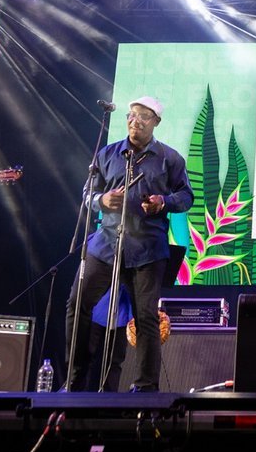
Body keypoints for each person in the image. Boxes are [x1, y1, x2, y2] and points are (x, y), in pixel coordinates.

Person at [65, 95, 193, 392]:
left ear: (156, 122)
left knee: (145, 317)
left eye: (143, 117)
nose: (135, 121)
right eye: (131, 116)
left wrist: (163, 202)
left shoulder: (169, 158)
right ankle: (75, 378)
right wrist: (101, 200)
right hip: (106, 244)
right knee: (77, 304)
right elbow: (88, 193)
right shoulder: (107, 154)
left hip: (147, 249)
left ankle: (146, 387)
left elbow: (186, 197)